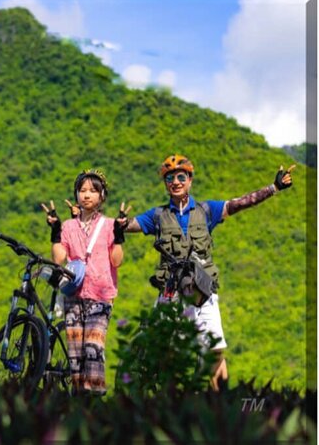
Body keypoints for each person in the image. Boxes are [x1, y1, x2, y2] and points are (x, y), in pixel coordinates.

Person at [123, 154, 295, 390]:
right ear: (165, 183)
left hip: (203, 292)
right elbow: (130, 225)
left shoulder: (207, 211)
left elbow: (242, 202)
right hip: (171, 294)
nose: (175, 181)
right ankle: (171, 408)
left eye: (181, 176)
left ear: (190, 180)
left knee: (215, 350)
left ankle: (219, 407)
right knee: (168, 354)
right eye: (170, 178)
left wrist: (273, 187)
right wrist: (117, 222)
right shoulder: (157, 216)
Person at [41, 169, 129, 395]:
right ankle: (79, 400)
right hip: (74, 294)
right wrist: (55, 231)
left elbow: (116, 261)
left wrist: (119, 236)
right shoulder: (69, 226)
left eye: (93, 190)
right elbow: (59, 258)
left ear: (102, 196)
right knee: (75, 354)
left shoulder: (109, 225)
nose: (86, 195)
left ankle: (96, 396)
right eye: (82, 190)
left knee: (93, 347)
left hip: (100, 296)